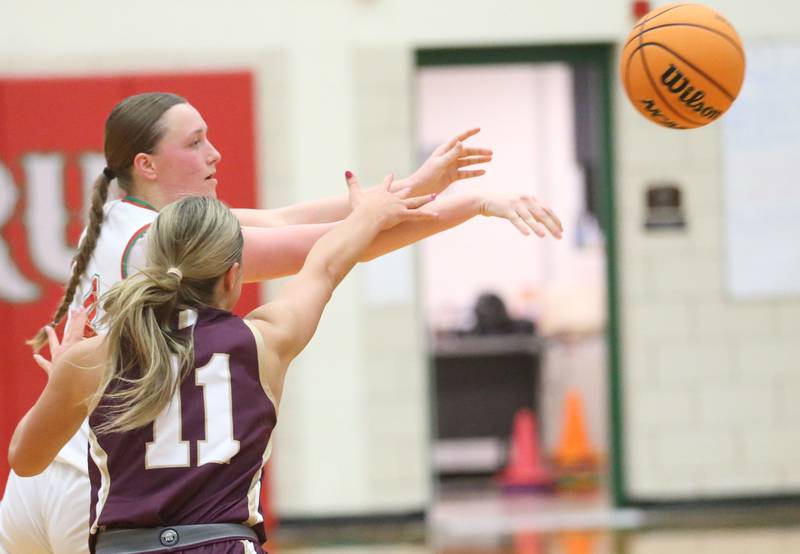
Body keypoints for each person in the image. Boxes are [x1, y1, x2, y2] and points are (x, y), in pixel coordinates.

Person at [1, 92, 563, 554]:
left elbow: (286, 218)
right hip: (104, 487)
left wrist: (416, 185)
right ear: (146, 164)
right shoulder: (169, 257)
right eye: (195, 143)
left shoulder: (116, 220)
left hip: (44, 468)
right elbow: (327, 248)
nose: (215, 154)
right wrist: (474, 204)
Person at [8, 182, 438, 553]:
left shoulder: (94, 357)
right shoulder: (264, 340)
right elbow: (324, 266)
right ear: (234, 276)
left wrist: (65, 377)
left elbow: (25, 461)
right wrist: (367, 216)